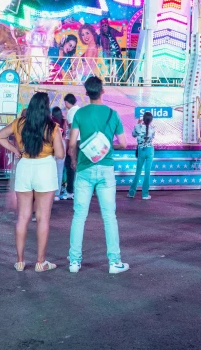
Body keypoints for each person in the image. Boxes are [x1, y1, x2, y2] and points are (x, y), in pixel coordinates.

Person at [0, 92, 65, 271]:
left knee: (23, 217)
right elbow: (60, 154)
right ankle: (40, 262)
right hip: (45, 170)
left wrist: (15, 150)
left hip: (25, 167)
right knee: (43, 219)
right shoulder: (52, 127)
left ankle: (19, 261)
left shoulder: (19, 123)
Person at [68, 75, 128, 274]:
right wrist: (108, 147)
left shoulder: (79, 114)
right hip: (106, 169)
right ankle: (114, 262)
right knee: (109, 216)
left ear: (86, 93)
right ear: (102, 91)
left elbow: (71, 144)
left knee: (79, 216)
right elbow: (123, 143)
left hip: (84, 169)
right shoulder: (113, 114)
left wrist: (75, 161)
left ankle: (74, 262)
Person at [128, 112, 155, 199]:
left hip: (141, 150)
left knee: (138, 172)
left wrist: (138, 123)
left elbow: (133, 135)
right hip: (150, 150)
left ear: (143, 119)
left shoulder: (138, 127)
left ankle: (132, 193)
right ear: (151, 120)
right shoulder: (153, 129)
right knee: (147, 173)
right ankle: (145, 194)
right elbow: (152, 137)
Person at [62, 93, 80, 199]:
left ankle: (70, 192)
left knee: (70, 166)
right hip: (81, 141)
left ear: (67, 102)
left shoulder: (71, 112)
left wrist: (70, 146)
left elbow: (72, 130)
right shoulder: (80, 110)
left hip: (75, 141)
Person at [51, 107, 67, 200]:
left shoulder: (51, 121)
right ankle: (57, 194)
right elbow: (65, 135)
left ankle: (51, 192)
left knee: (51, 169)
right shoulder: (64, 121)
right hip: (62, 144)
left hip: (52, 144)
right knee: (60, 171)